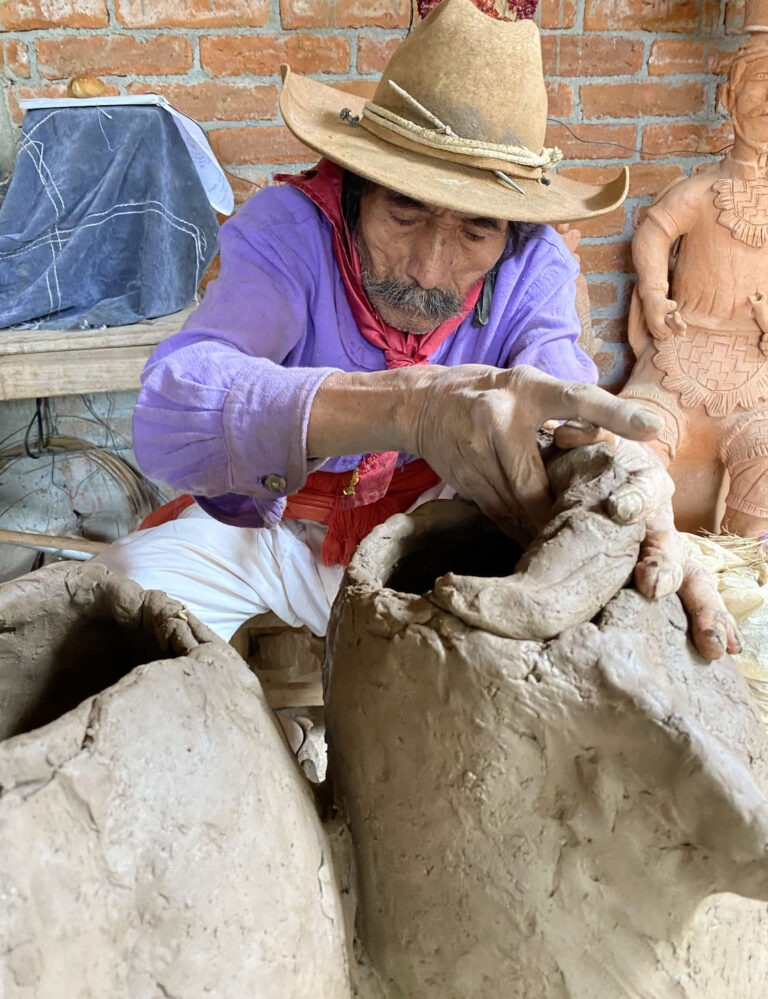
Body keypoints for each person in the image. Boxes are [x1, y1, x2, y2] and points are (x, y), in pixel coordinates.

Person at [96, 0, 739, 660]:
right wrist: (409, 407)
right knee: (108, 623)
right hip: (268, 528)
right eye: (404, 211)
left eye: (475, 230)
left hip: (434, 539)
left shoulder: (534, 264)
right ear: (357, 186)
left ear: (510, 231)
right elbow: (171, 405)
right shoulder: (290, 228)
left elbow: (559, 404)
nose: (430, 270)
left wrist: (623, 482)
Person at [622, 24, 768, 539]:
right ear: (730, 97)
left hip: (754, 370)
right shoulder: (702, 190)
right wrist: (656, 298)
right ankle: (646, 552)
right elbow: (655, 232)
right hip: (680, 354)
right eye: (760, 82)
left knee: (766, 457)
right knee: (634, 444)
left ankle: (736, 569)